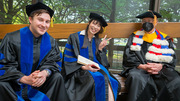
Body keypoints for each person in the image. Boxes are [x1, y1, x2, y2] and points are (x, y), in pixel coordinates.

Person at [0, 2, 69, 101]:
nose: (44, 25)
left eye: (47, 21)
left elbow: (54, 62)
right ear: (30, 19)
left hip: (39, 86)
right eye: (40, 20)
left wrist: (45, 73)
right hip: (15, 85)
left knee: (57, 77)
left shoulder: (51, 42)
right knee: (1, 84)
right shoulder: (11, 39)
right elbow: (3, 65)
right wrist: (23, 78)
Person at [120, 10, 180, 101]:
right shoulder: (134, 36)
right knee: (136, 77)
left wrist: (161, 65)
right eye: (144, 21)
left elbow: (171, 58)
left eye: (150, 21)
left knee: (176, 80)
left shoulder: (165, 38)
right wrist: (142, 66)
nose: (146, 23)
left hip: (160, 70)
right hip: (140, 69)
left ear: (156, 22)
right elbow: (128, 56)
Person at [61, 12, 120, 101]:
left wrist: (100, 49)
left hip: (96, 68)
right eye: (94, 23)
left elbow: (104, 64)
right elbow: (68, 58)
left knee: (111, 81)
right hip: (79, 70)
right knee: (99, 78)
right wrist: (84, 67)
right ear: (89, 23)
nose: (95, 27)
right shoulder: (75, 37)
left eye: (98, 26)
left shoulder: (97, 40)